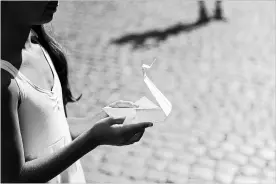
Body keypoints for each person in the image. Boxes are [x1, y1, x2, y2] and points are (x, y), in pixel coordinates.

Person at [1, 1, 153, 183]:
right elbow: (14, 178)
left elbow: (52, 132)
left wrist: (97, 120)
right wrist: (92, 139)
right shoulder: (5, 83)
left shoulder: (40, 47)